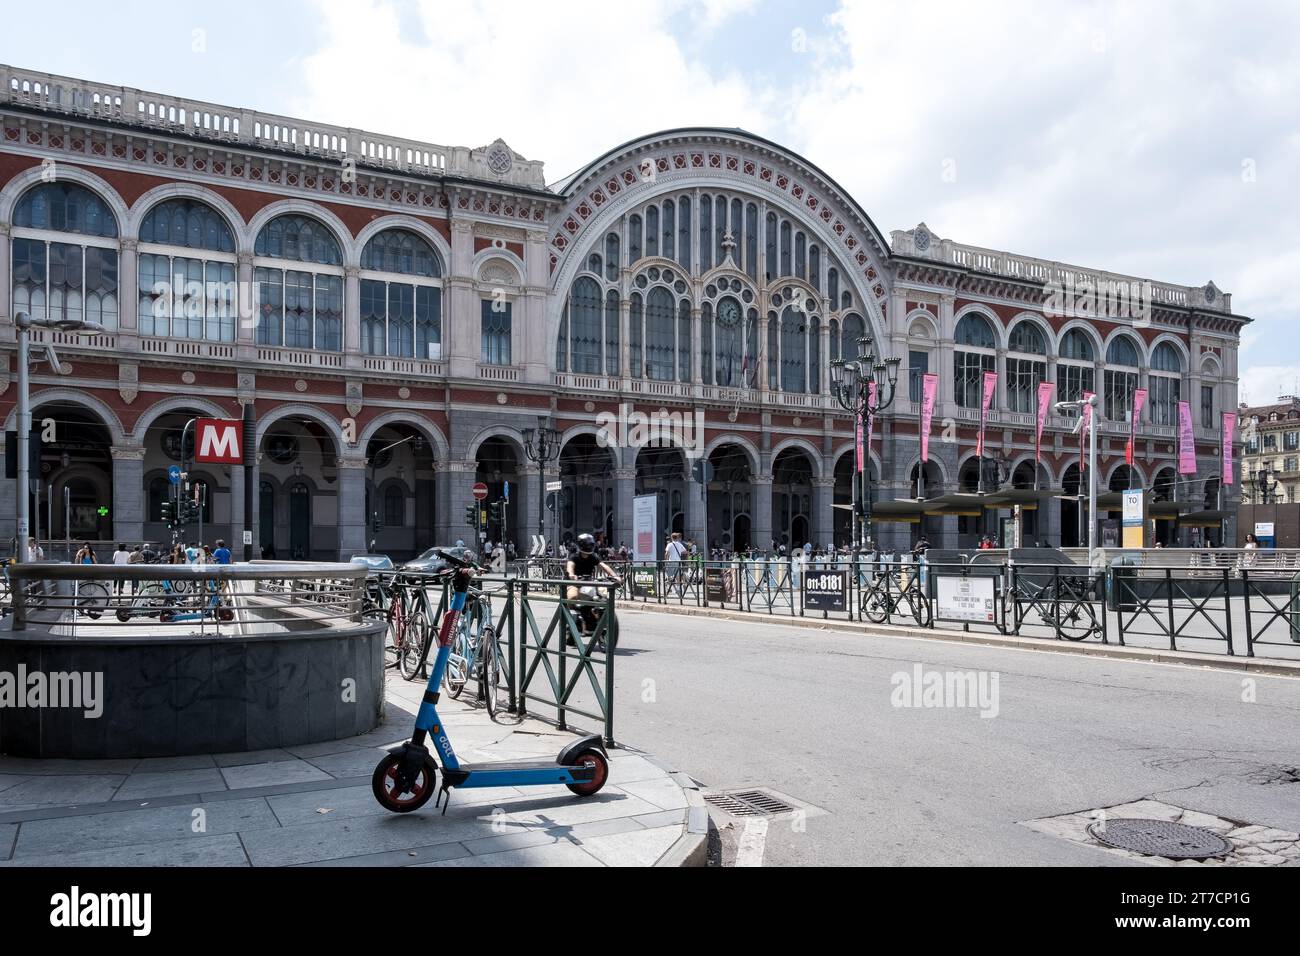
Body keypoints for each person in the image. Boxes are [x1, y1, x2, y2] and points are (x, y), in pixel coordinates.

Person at [565, 533, 622, 643]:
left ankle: (596, 618)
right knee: (572, 597)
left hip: (590, 582)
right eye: (586, 545)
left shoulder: (593, 557)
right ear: (581, 545)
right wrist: (572, 575)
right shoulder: (575, 556)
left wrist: (614, 576)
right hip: (575, 582)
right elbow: (570, 566)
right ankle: (571, 619)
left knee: (602, 595)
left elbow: (603, 565)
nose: (588, 547)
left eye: (590, 544)